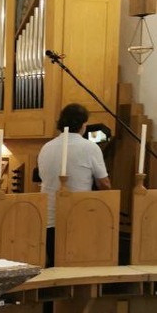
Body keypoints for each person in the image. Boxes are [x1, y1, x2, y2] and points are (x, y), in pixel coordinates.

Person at [37, 103, 111, 267]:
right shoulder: (90, 148)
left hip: (48, 218)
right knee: (76, 266)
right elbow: (104, 183)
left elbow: (44, 178)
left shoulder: (46, 148)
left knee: (55, 263)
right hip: (78, 217)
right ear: (83, 124)